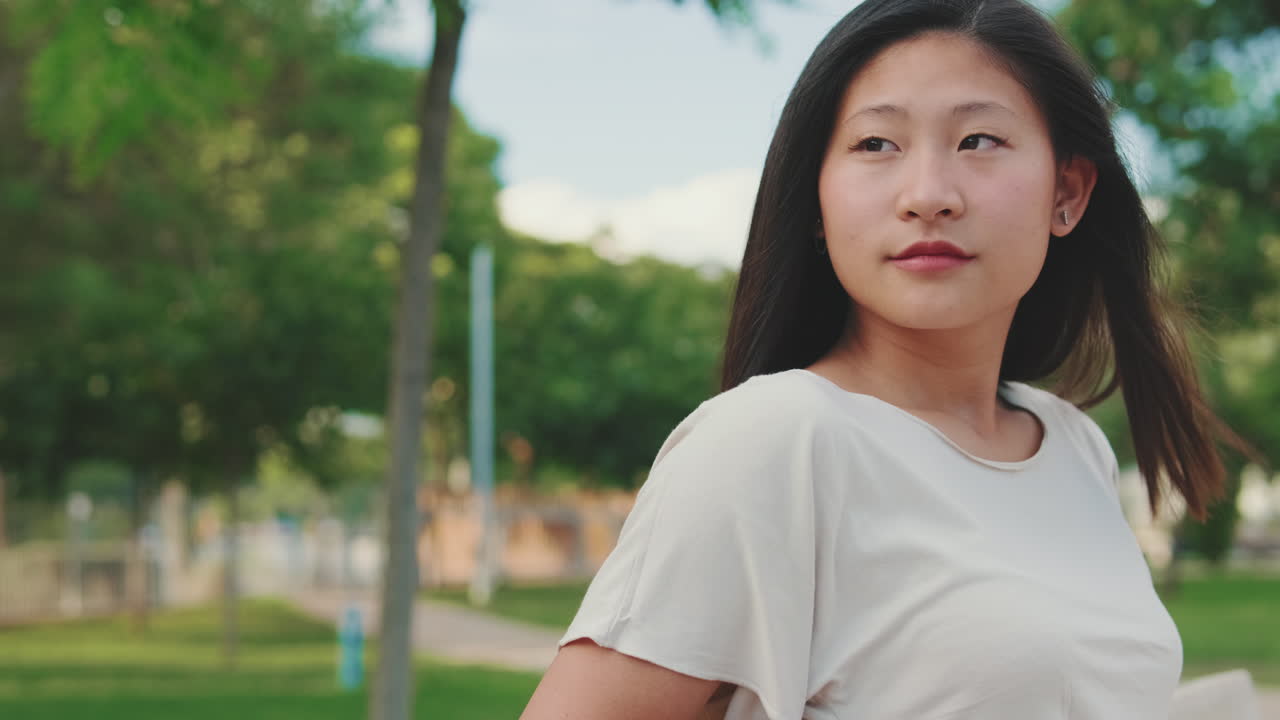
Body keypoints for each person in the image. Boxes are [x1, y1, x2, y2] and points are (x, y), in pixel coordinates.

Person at [521, 0, 1245, 717]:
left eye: (979, 140)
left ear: (1068, 191)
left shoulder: (1072, 445)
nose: (928, 195)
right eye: (876, 145)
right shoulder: (774, 440)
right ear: (815, 199)